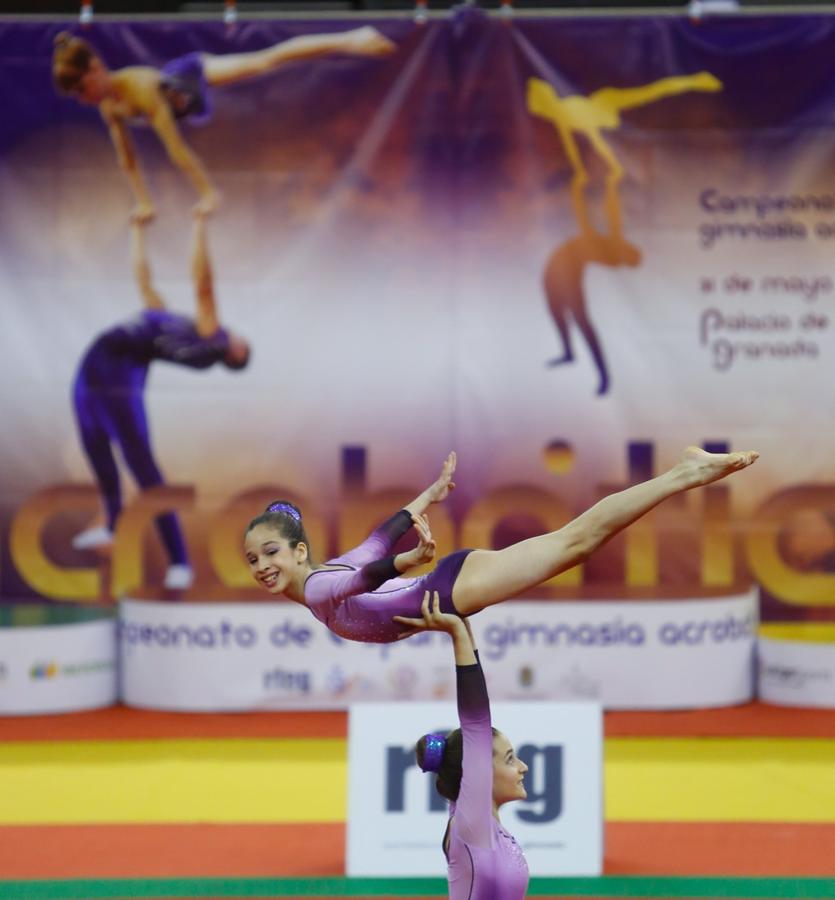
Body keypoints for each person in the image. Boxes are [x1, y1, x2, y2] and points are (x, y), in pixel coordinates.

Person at [243, 446, 758, 642]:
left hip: (449, 588)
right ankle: (684, 472)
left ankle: (685, 473)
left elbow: (368, 575)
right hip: (450, 584)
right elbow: (378, 539)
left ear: (298, 551)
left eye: (271, 552)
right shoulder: (326, 573)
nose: (262, 566)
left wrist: (409, 560)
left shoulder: (317, 589)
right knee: (573, 542)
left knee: (576, 542)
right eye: (253, 559)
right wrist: (430, 495)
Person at [52, 27, 396, 223]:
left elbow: (176, 148)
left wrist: (208, 192)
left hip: (187, 78)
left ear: (96, 68)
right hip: (174, 97)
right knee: (264, 64)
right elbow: (126, 159)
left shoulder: (141, 89)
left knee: (264, 62)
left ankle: (350, 39)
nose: (83, 99)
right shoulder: (109, 107)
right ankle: (348, 40)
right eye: (76, 96)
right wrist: (144, 203)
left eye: (82, 88)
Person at [72, 214, 250, 590]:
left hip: (120, 378)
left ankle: (180, 560)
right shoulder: (170, 319)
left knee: (144, 470)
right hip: (93, 368)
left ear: (232, 353)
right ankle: (109, 526)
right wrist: (137, 230)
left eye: (241, 344)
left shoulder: (211, 338)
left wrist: (199, 223)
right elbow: (144, 280)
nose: (238, 334)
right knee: (97, 451)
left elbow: (203, 284)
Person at [397, 591, 529, 900]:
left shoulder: (487, 827)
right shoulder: (471, 825)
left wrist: (466, 632)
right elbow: (476, 722)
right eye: (510, 759)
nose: (523, 766)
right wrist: (456, 634)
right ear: (478, 770)